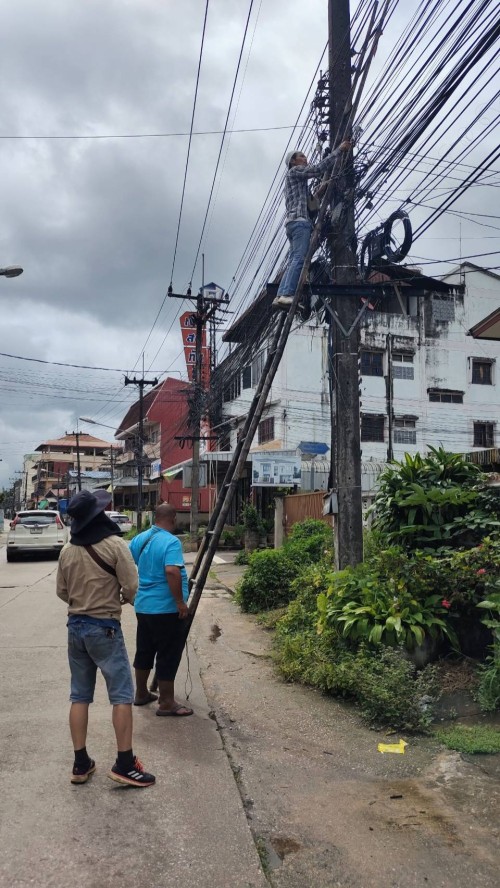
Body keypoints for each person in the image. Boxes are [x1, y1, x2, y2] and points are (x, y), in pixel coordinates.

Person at [56, 489, 155, 788]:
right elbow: (132, 584)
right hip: (105, 628)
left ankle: (80, 763)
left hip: (75, 628)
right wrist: (120, 598)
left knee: (79, 695)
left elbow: (62, 592)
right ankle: (125, 764)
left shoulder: (67, 551)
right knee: (122, 695)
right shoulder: (114, 545)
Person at [129, 502, 193, 717]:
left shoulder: (140, 538)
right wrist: (180, 602)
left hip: (144, 606)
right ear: (173, 518)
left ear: (154, 518)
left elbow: (128, 565)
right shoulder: (171, 541)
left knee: (145, 649)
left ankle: (141, 693)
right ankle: (166, 702)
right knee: (167, 654)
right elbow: (172, 572)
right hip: (165, 609)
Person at [272, 141, 352, 311]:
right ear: (293, 162)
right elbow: (317, 169)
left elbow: (312, 201)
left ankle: (280, 295)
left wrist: (324, 186)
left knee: (295, 259)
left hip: (293, 223)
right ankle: (286, 294)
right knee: (299, 259)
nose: (305, 158)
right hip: (300, 223)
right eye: (301, 156)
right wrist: (339, 150)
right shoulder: (295, 171)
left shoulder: (297, 183)